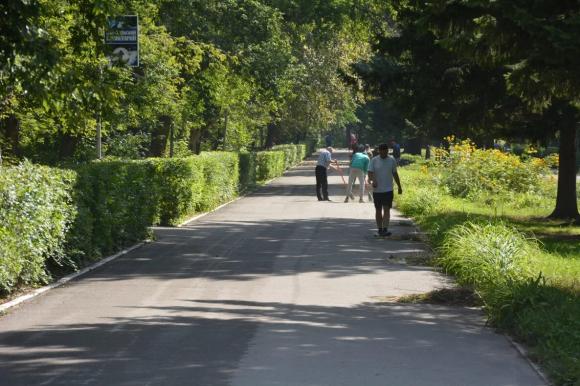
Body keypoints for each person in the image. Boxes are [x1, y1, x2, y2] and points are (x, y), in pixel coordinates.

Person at [368, 143, 403, 236]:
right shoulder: (374, 160)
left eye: (386, 151)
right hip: (377, 190)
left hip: (388, 189)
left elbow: (395, 174)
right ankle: (380, 229)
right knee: (378, 210)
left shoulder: (392, 160)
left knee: (386, 209)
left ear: (388, 151)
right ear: (379, 151)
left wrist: (399, 186)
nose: (384, 153)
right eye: (382, 152)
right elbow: (370, 172)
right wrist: (372, 180)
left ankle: (385, 229)